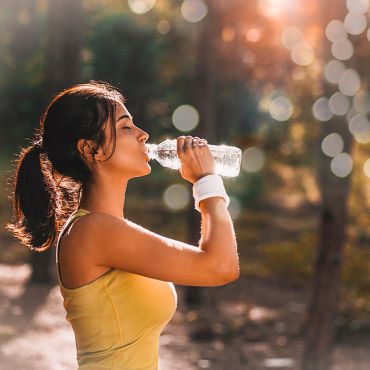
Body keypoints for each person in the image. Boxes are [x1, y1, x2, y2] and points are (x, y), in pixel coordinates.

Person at [6, 81, 240, 370]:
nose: (144, 135)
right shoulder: (95, 231)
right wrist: (206, 181)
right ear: (92, 149)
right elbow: (220, 267)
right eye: (126, 127)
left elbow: (215, 263)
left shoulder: (107, 229)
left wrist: (207, 183)